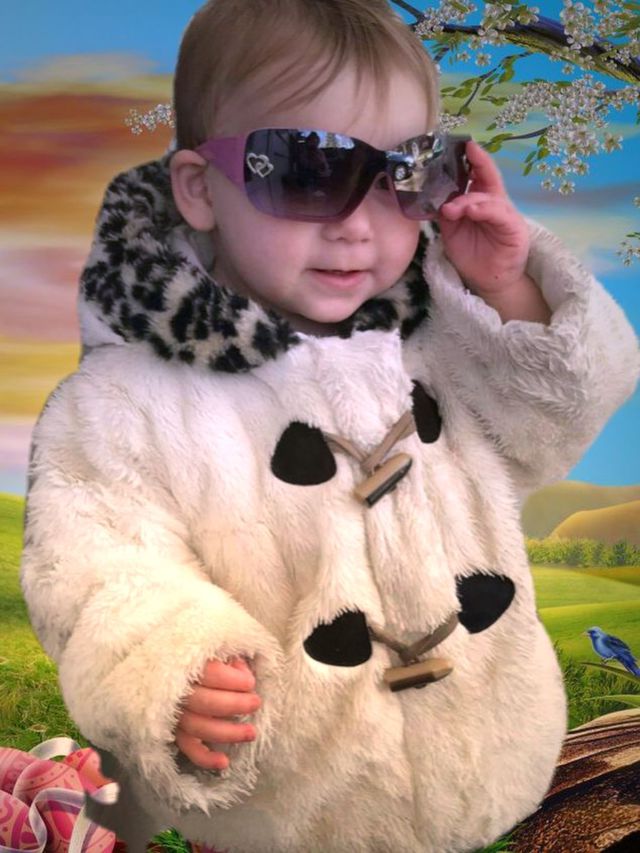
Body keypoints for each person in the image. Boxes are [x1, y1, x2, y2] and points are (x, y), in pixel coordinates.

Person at [19, 1, 640, 852]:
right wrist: (173, 663)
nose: (358, 222)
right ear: (200, 189)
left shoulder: (442, 338)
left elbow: (554, 419)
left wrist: (506, 288)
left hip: (497, 762)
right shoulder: (130, 399)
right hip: (293, 801)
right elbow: (95, 569)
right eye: (304, 170)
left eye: (406, 173)